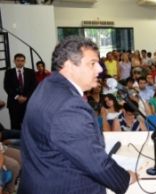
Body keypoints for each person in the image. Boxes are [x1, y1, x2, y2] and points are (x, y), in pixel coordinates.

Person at [18, 37, 137, 194]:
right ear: (69, 65)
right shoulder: (68, 106)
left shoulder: (47, 86)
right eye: (92, 64)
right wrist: (126, 179)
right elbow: (95, 162)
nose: (100, 70)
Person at [3, 53, 36, 130]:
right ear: (14, 61)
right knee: (14, 125)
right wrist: (17, 97)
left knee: (28, 124)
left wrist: (26, 97)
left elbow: (33, 86)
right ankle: (15, 141)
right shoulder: (8, 72)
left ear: (24, 62)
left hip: (27, 102)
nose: (20, 62)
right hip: (13, 103)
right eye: (18, 60)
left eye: (22, 61)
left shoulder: (30, 72)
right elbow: (7, 87)